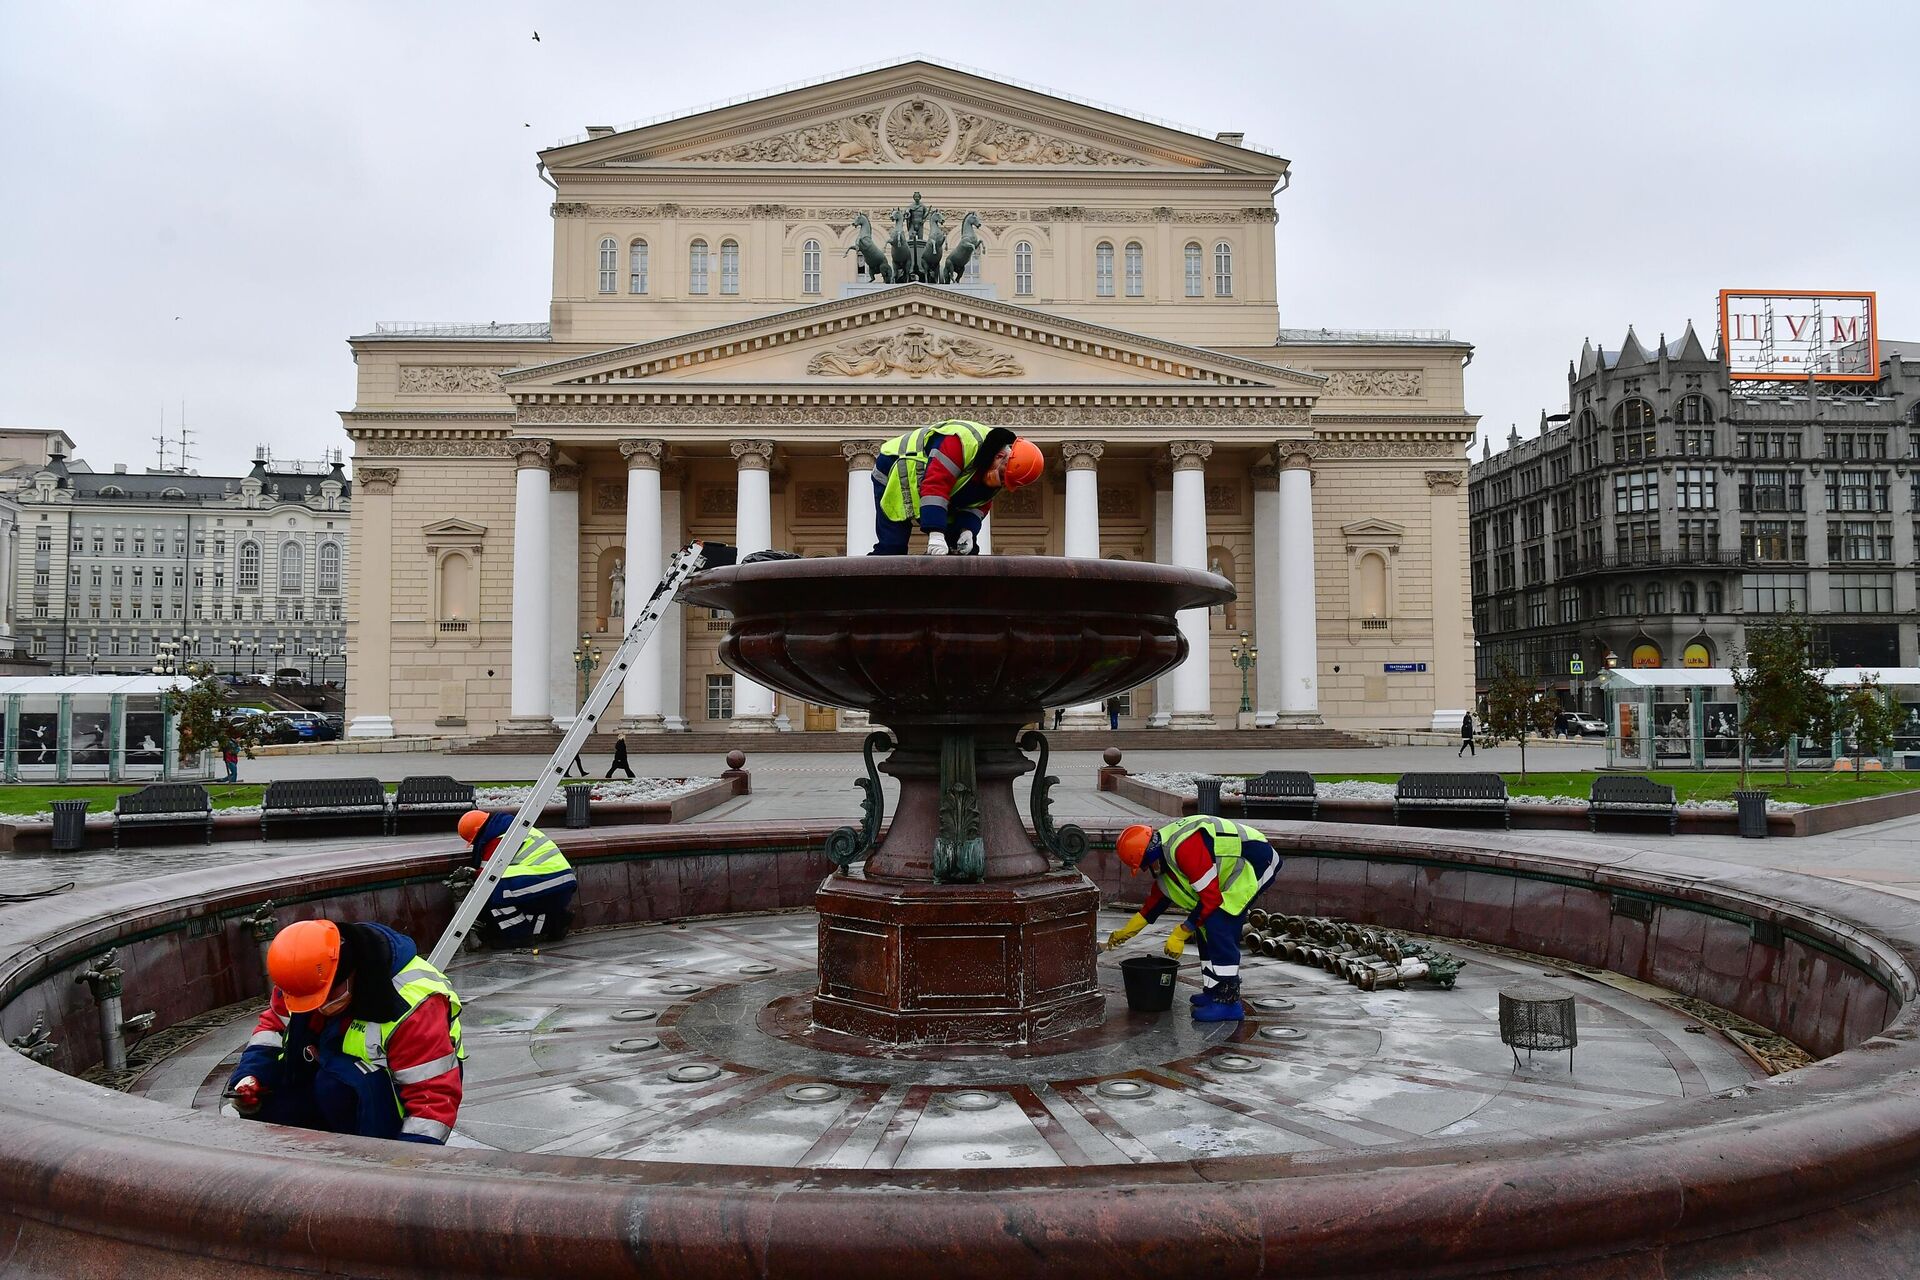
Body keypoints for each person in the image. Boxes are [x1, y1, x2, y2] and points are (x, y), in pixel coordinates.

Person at [226, 919, 463, 1144]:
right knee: (274, 1102)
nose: (317, 1007)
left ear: (350, 973)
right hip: (333, 1079)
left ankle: (365, 1153)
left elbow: (432, 1099)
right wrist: (250, 1077)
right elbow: (271, 1030)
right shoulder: (303, 977)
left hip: (384, 1098)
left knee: (335, 1085)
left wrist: (405, 1166)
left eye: (324, 998)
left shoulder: (413, 1005)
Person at [1105, 817, 1282, 1022]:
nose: (1147, 870)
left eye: (1144, 865)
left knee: (1219, 921)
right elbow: (1153, 905)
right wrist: (1125, 933)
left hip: (1255, 863)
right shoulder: (1166, 857)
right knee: (1205, 925)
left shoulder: (1185, 849)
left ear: (1150, 855)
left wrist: (1182, 931)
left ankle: (1228, 1001)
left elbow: (1212, 899)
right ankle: (1213, 990)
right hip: (1239, 867)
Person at [869, 420, 1044, 556]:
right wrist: (936, 533)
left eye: (1006, 483)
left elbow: (978, 504)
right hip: (895, 471)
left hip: (931, 487)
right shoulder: (959, 444)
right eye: (1002, 477)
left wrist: (967, 530)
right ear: (999, 456)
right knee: (893, 546)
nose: (1001, 484)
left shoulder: (996, 467)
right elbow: (936, 487)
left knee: (960, 550)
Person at [457, 809, 577, 946]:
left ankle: (519, 937)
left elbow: (487, 876)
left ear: (478, 835)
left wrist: (471, 874)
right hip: (559, 881)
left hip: (548, 878)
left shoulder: (498, 839)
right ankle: (555, 922)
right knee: (517, 905)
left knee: (491, 892)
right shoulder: (514, 828)